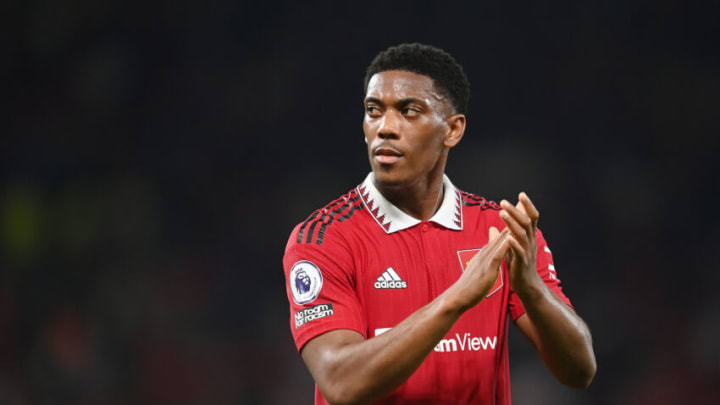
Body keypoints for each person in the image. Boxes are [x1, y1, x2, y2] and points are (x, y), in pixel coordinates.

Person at [283, 43, 596, 405]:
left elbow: (580, 371)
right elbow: (341, 382)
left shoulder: (498, 230)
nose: (385, 128)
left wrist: (532, 290)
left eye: (408, 111)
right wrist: (457, 299)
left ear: (453, 130)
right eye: (373, 111)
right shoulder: (324, 238)